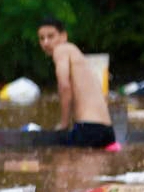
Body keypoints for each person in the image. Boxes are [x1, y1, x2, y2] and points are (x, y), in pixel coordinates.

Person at [37, 16, 116, 148]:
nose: (45, 42)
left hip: (89, 128)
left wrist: (64, 124)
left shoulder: (61, 50)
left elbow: (64, 86)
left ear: (63, 36)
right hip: (107, 130)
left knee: (63, 165)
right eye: (41, 38)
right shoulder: (79, 58)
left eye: (51, 36)